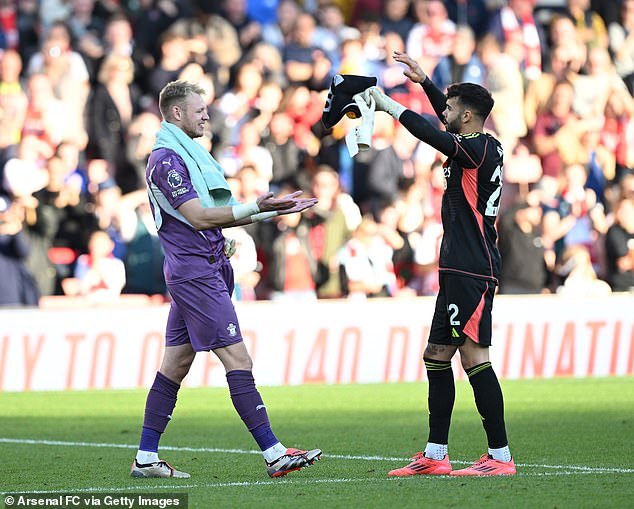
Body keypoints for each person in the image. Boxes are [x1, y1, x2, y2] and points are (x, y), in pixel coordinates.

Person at [131, 80, 321, 480]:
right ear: (177, 113)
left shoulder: (188, 155)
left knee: (175, 365)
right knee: (238, 358)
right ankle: (273, 453)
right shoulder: (166, 161)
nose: (206, 114)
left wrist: (272, 211)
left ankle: (146, 458)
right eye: (199, 108)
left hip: (199, 269)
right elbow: (199, 216)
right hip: (195, 273)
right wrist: (255, 206)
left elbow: (215, 215)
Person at [360, 51, 516, 476]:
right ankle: (435, 455)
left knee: (474, 357)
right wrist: (426, 81)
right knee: (435, 355)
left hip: (473, 265)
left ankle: (500, 458)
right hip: (456, 266)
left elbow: (435, 135)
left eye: (449, 107)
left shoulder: (479, 149)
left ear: (467, 116)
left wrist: (389, 104)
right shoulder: (479, 143)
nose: (443, 111)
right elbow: (446, 126)